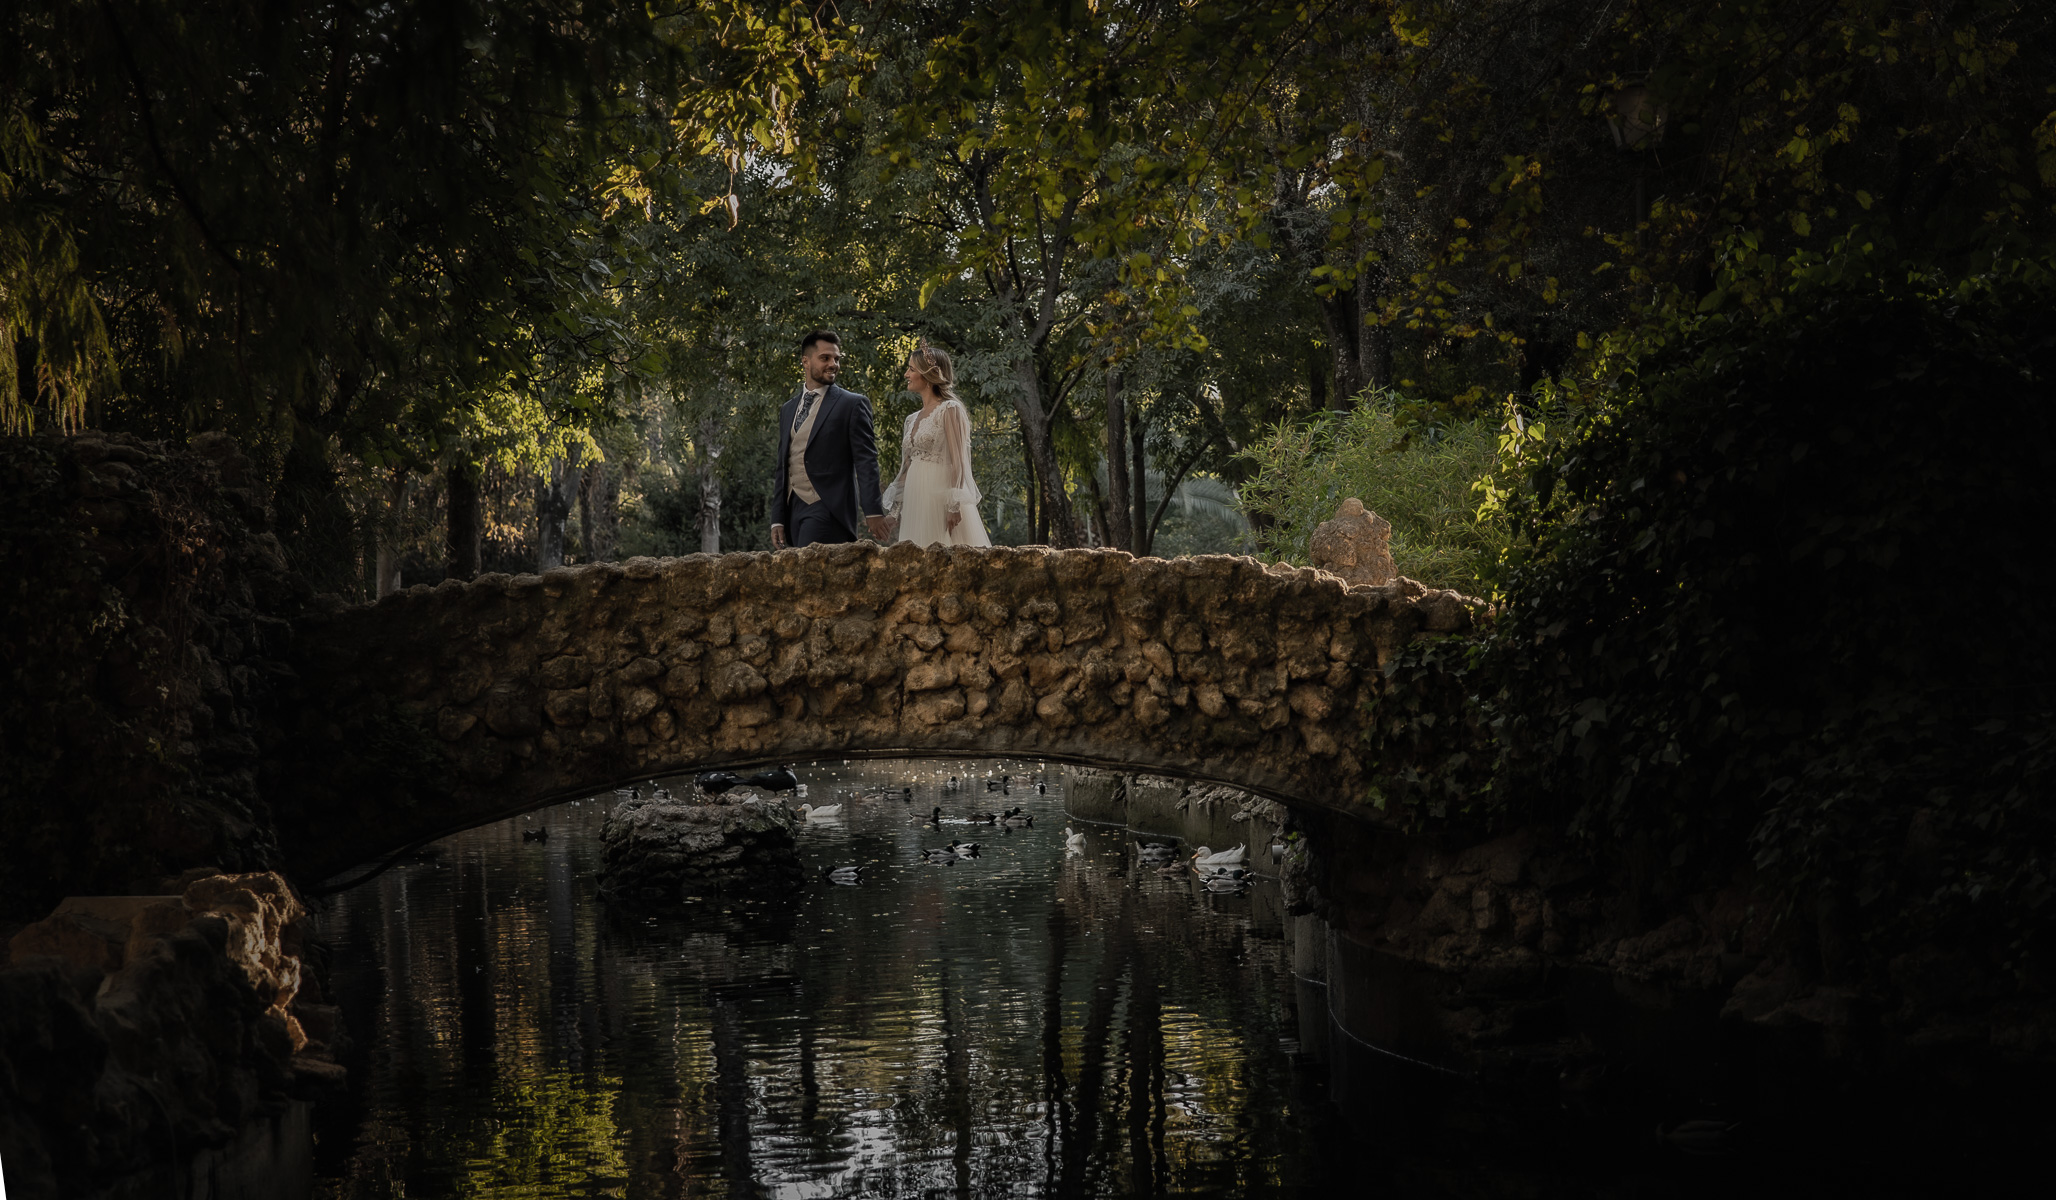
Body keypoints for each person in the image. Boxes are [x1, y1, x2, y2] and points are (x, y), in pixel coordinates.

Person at [770, 330, 891, 550]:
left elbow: (866, 460)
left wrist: (873, 510)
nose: (833, 364)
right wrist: (777, 519)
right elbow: (783, 466)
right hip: (792, 511)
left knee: (809, 568)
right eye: (825, 358)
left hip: (828, 508)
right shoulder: (788, 409)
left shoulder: (852, 404)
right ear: (806, 361)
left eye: (836, 359)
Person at [881, 344, 992, 548]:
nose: (906, 374)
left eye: (911, 369)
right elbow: (906, 468)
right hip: (915, 499)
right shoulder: (911, 419)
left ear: (928, 374)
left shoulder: (950, 409)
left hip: (939, 496)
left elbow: (958, 461)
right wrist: (894, 513)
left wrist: (953, 505)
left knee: (947, 553)